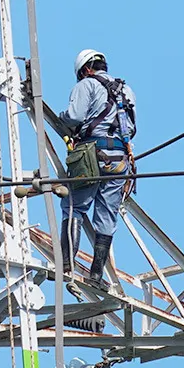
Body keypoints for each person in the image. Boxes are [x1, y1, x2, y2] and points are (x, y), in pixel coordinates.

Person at [59, 48, 138, 285]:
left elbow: (74, 116)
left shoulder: (87, 85)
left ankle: (66, 263)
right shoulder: (126, 90)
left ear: (85, 69)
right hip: (119, 159)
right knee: (106, 215)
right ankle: (96, 274)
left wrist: (63, 119)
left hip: (92, 155)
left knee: (74, 204)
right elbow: (132, 128)